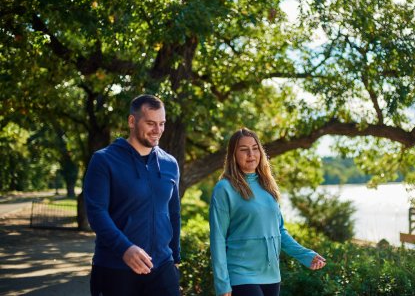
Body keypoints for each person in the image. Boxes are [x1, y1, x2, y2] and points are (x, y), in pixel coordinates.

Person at [209, 128, 326, 296]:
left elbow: (279, 232)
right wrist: (222, 283)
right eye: (244, 149)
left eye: (255, 148)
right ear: (233, 154)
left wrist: (306, 255)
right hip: (240, 274)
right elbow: (217, 238)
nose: (251, 154)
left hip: (271, 275)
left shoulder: (268, 186)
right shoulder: (224, 189)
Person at [84, 94, 181, 296]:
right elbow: (96, 212)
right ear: (131, 121)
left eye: (162, 123)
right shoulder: (104, 160)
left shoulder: (170, 163)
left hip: (162, 267)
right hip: (115, 268)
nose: (158, 130)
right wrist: (125, 249)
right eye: (151, 123)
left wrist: (175, 258)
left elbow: (173, 213)